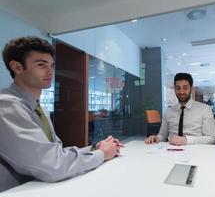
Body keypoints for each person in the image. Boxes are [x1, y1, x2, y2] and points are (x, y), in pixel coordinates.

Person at [0, 36, 123, 192]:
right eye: (41, 65)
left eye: (51, 65)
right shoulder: (7, 106)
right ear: (17, 67)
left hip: (41, 188)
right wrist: (101, 154)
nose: (50, 71)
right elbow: (52, 165)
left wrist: (94, 148)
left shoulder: (38, 108)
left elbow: (55, 153)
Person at [145, 73, 215, 145]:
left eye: (185, 88)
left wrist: (187, 140)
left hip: (194, 151)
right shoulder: (168, 111)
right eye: (178, 88)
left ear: (191, 88)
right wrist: (156, 138)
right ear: (175, 89)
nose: (181, 92)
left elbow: (211, 138)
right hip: (170, 151)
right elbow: (163, 135)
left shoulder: (205, 109)